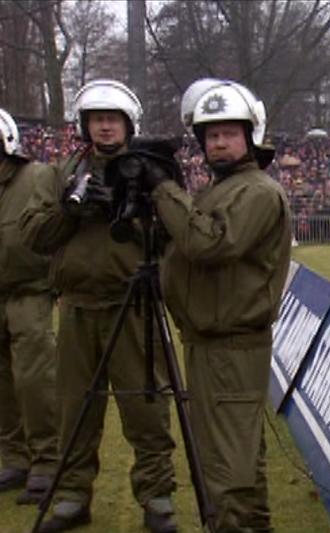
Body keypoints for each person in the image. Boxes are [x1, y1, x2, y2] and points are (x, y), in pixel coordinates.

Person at [20, 80, 177, 533]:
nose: (105, 127)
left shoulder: (150, 170)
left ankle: (157, 495)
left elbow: (171, 234)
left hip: (132, 304)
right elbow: (33, 235)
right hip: (76, 306)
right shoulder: (61, 174)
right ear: (84, 124)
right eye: (96, 119)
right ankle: (72, 495)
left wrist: (129, 207)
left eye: (112, 119)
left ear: (129, 124)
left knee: (146, 406)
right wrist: (71, 211)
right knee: (74, 409)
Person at [142, 80, 291, 531]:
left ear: (250, 136)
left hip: (231, 344)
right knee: (237, 455)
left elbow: (209, 244)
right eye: (211, 135)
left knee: (225, 466)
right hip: (212, 342)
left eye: (229, 133)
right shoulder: (221, 188)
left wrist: (165, 190)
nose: (219, 143)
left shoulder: (257, 191)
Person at [0, 108, 59, 504]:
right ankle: (14, 457)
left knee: (34, 379)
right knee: (2, 384)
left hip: (30, 290)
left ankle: (47, 461)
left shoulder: (36, 176)